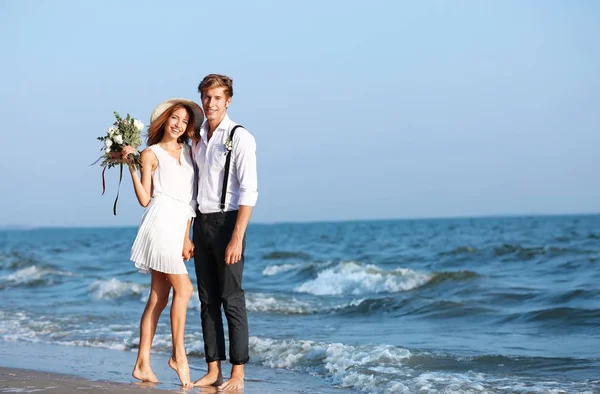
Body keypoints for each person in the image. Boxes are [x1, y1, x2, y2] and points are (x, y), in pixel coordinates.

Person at [122, 98, 204, 388]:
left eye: (184, 120)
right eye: (174, 118)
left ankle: (142, 363)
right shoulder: (150, 153)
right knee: (185, 288)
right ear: (164, 120)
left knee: (158, 297)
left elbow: (190, 201)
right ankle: (178, 355)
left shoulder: (189, 152)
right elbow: (145, 198)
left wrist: (186, 237)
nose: (178, 123)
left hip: (178, 225)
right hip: (159, 223)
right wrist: (130, 165)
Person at [191, 74, 258, 391]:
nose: (211, 103)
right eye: (206, 97)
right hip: (201, 222)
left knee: (232, 299)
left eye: (217, 97)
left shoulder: (240, 136)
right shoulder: (198, 137)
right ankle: (213, 370)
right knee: (207, 300)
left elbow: (250, 191)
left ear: (228, 100)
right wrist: (187, 233)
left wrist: (236, 237)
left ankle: (238, 374)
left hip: (229, 222)